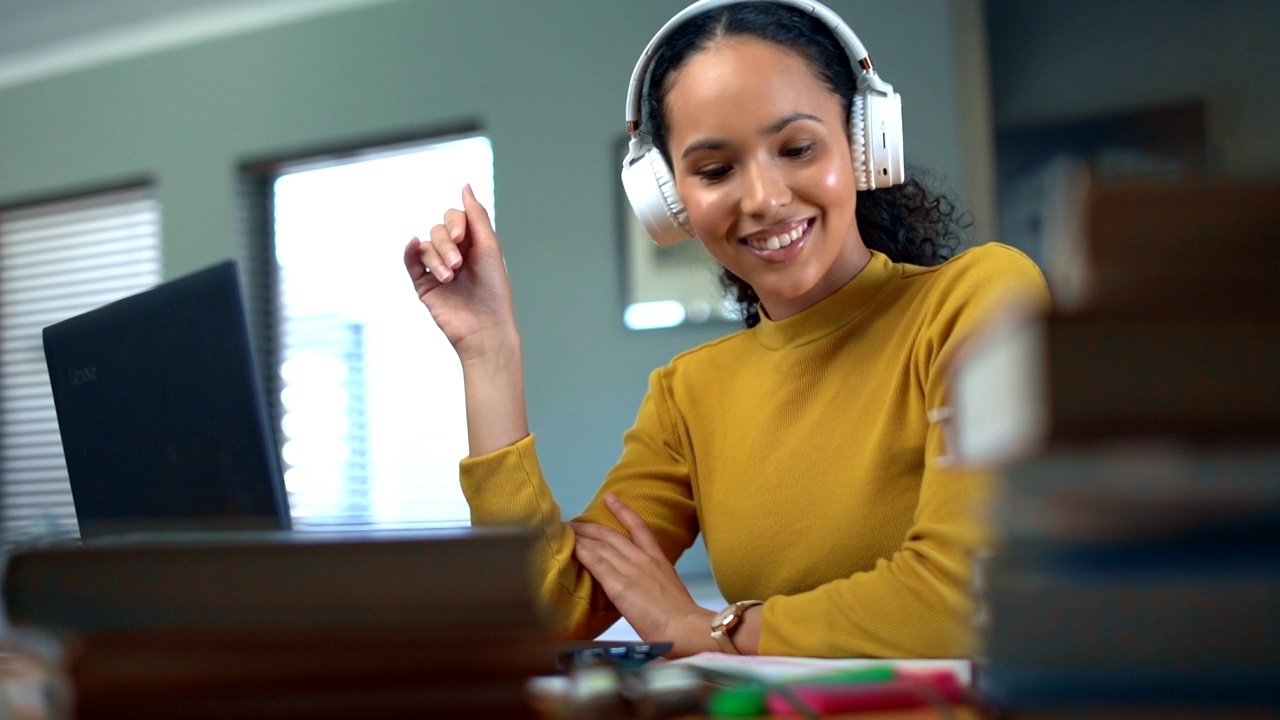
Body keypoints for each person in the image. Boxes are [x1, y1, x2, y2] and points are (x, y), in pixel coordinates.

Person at [403, 0, 1048, 659]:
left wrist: (714, 630)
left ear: (863, 143)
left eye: (797, 148)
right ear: (670, 198)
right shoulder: (691, 395)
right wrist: (488, 352)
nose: (763, 198)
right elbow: (546, 609)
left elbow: (968, 596)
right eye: (715, 170)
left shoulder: (979, 299)